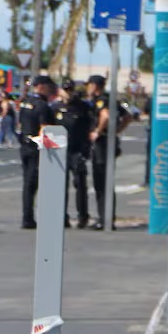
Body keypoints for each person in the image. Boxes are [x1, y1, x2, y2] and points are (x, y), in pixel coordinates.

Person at [86, 74, 132, 230]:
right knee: (106, 182)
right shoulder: (112, 100)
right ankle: (107, 218)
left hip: (101, 144)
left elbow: (105, 115)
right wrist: (116, 132)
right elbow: (127, 117)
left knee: (102, 182)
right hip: (109, 142)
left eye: (90, 85)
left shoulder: (101, 101)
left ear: (95, 86)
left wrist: (98, 131)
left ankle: (104, 219)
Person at [17, 75, 57, 229]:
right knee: (34, 183)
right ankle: (29, 218)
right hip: (35, 147)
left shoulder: (25, 103)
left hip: (24, 145)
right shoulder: (42, 106)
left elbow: (20, 124)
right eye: (49, 87)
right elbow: (44, 129)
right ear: (41, 87)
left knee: (27, 183)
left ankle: (27, 216)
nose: (51, 90)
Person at [54, 81, 95, 229]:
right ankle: (61, 216)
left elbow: (90, 128)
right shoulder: (55, 108)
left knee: (80, 184)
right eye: (66, 90)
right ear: (60, 91)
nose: (68, 93)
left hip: (77, 149)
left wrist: (86, 149)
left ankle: (82, 216)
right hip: (60, 150)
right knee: (60, 186)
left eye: (71, 90)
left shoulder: (82, 108)